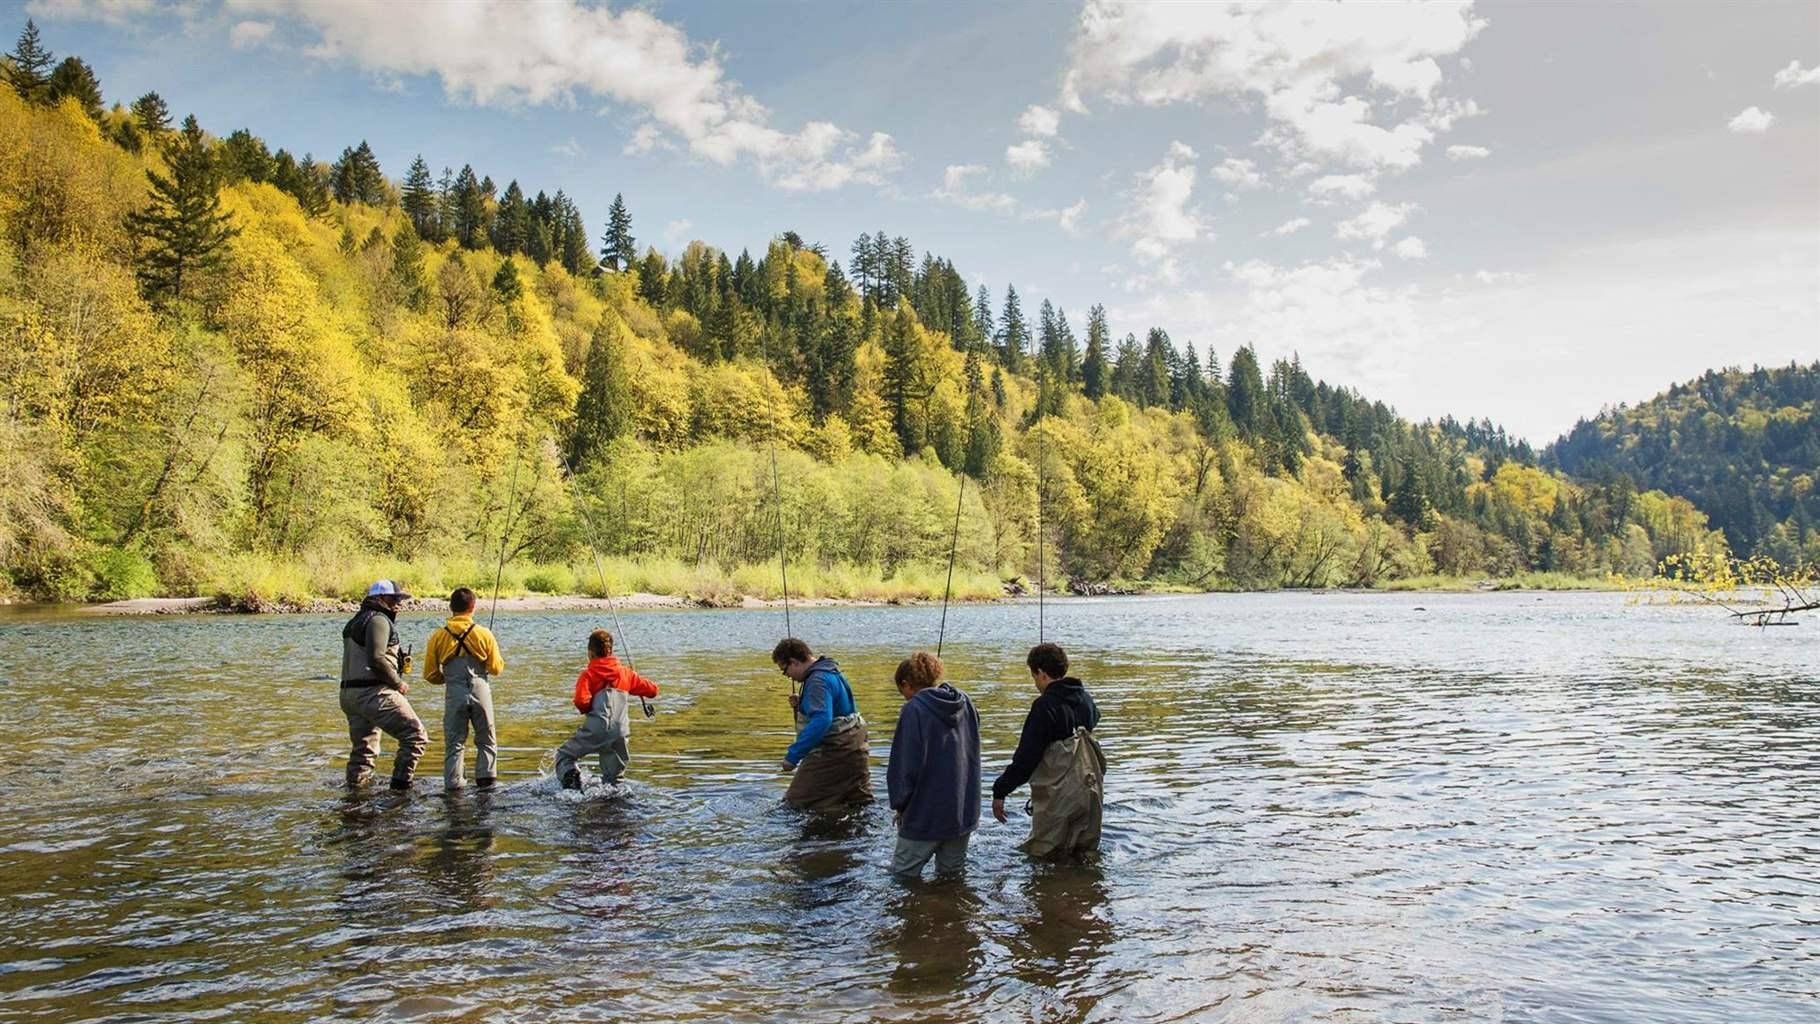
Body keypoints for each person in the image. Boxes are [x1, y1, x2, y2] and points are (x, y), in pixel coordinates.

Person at [990, 642, 1106, 858]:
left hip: (1059, 798)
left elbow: (1026, 760)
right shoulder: (1085, 699)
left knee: (1045, 856)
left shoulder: (1044, 706)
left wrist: (1000, 791)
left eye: (1033, 676)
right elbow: (1093, 720)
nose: (1035, 682)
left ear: (1041, 673)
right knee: (1084, 856)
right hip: (1091, 792)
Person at [885, 652, 981, 877]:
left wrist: (900, 805)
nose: (905, 698)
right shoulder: (965, 701)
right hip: (962, 812)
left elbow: (904, 764)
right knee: (952, 880)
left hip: (925, 815)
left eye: (903, 692)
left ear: (906, 684)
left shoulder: (913, 710)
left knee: (902, 877)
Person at [340, 580, 428, 790]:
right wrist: (398, 683)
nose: (399, 602)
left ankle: (355, 795)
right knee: (415, 736)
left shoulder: (355, 621)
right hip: (373, 692)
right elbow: (376, 659)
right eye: (394, 598)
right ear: (378, 598)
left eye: (401, 599)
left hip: (349, 695)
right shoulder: (378, 619)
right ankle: (400, 789)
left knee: (363, 752)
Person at [773, 637, 872, 810]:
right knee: (858, 802)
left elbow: (822, 721)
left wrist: (792, 756)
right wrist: (803, 702)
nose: (786, 675)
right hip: (855, 748)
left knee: (794, 804)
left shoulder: (817, 681)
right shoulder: (831, 670)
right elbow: (843, 708)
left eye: (784, 670)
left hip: (835, 750)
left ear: (794, 662)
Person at [423, 586, 505, 791]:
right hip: (480, 689)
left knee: (455, 742)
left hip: (454, 691)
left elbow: (430, 674)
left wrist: (451, 679)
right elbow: (496, 669)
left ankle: (454, 788)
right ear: (473, 607)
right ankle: (487, 786)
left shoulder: (438, 636)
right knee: (486, 739)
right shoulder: (484, 634)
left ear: (451, 607)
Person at [555, 628, 658, 790]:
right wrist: (633, 678)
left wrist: (590, 708)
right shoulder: (625, 673)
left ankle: (572, 781)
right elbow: (652, 690)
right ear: (611, 651)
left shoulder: (588, 675)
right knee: (615, 781)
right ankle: (615, 806)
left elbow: (581, 702)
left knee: (564, 756)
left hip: (594, 730)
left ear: (590, 653)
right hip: (619, 733)